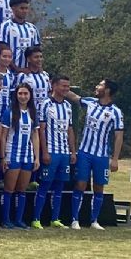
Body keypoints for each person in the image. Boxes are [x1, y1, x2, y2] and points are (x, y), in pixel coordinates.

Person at [65, 79, 124, 230]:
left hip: (102, 155)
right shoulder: (91, 102)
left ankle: (94, 220)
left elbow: (118, 136)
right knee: (80, 184)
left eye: (100, 85)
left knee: (99, 187)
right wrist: (61, 87)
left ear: (108, 90)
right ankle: (74, 219)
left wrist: (115, 159)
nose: (96, 87)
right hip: (85, 152)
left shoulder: (115, 112)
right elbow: (74, 97)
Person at [32, 75, 77, 230]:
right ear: (54, 86)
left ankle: (55, 218)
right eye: (63, 86)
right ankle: (36, 218)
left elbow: (70, 130)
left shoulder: (68, 106)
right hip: (51, 151)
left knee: (60, 186)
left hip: (64, 152)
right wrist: (44, 152)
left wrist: (73, 151)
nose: (65, 89)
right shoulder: (45, 104)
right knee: (45, 185)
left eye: (67, 86)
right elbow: (41, 130)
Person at [0, 82, 40, 229]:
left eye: (26, 94)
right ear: (16, 95)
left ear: (30, 96)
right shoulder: (9, 112)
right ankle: (6, 220)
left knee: (22, 190)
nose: (23, 96)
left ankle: (19, 220)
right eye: (20, 94)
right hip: (12, 154)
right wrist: (3, 156)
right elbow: (3, 135)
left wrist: (37, 157)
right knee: (9, 189)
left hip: (27, 156)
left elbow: (35, 136)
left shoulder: (32, 113)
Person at [0, 0, 39, 70]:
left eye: (26, 8)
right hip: (11, 70)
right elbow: (3, 47)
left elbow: (37, 50)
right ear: (13, 9)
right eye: (22, 8)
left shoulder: (32, 28)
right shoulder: (6, 26)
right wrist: (16, 68)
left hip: (28, 71)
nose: (25, 11)